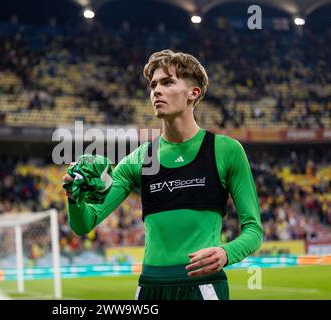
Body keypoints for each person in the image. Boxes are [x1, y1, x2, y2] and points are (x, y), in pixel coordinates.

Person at [63, 49, 263, 300]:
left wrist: (226, 253)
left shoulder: (226, 151)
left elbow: (254, 230)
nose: (156, 90)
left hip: (203, 287)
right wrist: (73, 196)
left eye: (167, 82)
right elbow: (84, 223)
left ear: (194, 92)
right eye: (153, 84)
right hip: (149, 288)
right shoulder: (139, 159)